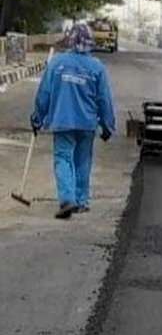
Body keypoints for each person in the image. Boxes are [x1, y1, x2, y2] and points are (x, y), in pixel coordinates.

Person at [30, 23, 115, 220]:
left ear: (71, 40)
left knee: (63, 158)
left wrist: (37, 118)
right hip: (87, 123)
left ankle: (67, 199)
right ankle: (81, 201)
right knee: (83, 160)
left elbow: (44, 94)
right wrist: (107, 125)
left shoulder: (57, 63)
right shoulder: (96, 67)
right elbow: (104, 99)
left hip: (62, 120)